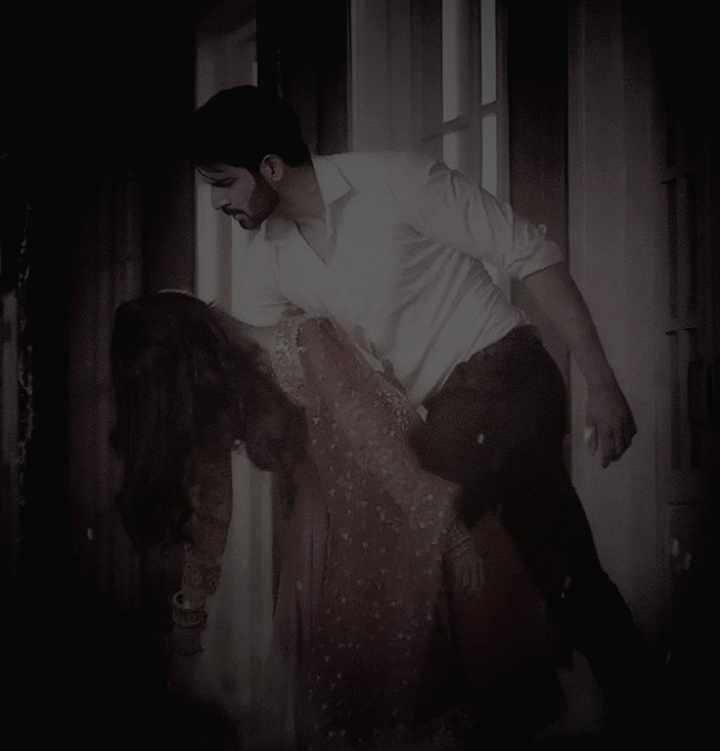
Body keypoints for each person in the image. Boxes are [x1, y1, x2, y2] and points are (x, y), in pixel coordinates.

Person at [185, 85, 658, 734]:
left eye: (223, 183)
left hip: (508, 377)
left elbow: (529, 253)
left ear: (269, 167)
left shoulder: (396, 181)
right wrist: (198, 330)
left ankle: (485, 712)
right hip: (438, 412)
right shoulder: (268, 259)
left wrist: (601, 383)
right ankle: (640, 704)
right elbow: (270, 359)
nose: (218, 203)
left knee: (419, 534)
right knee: (563, 567)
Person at [110, 292, 566, 750]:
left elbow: (380, 446)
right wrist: (188, 617)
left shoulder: (308, 340)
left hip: (393, 518)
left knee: (420, 700)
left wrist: (447, 530)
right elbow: (213, 505)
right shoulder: (224, 392)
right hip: (325, 543)